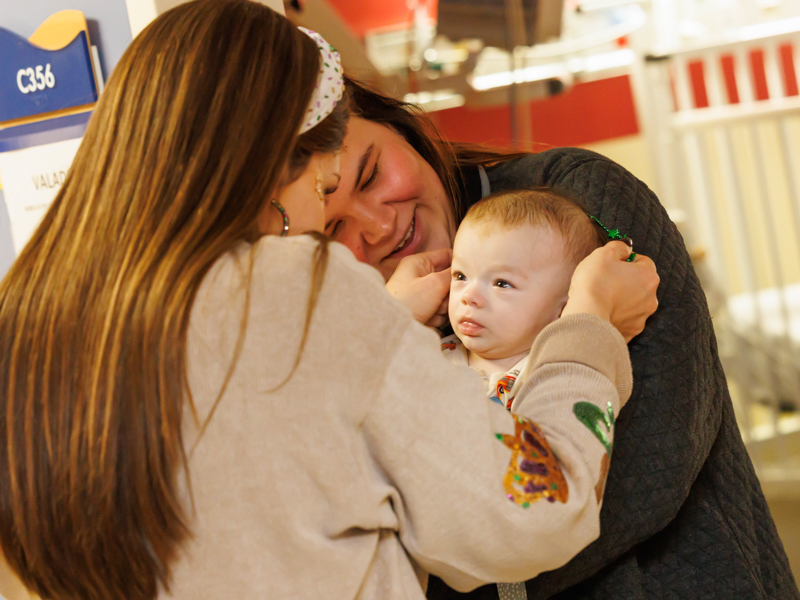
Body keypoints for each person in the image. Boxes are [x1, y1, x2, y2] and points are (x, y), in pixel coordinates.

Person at [0, 2, 659, 600]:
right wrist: (586, 330)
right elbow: (528, 512)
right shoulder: (298, 289)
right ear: (270, 177)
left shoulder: (27, 325)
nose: (344, 235)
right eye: (324, 199)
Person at [324, 80, 800, 599]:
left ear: (399, 124)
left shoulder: (575, 205)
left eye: (370, 175)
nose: (376, 226)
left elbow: (655, 459)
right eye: (331, 230)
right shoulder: (352, 325)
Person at [442, 190, 616, 600]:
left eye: (502, 282)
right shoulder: (426, 357)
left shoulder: (556, 375)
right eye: (460, 275)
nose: (469, 295)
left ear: (563, 308)